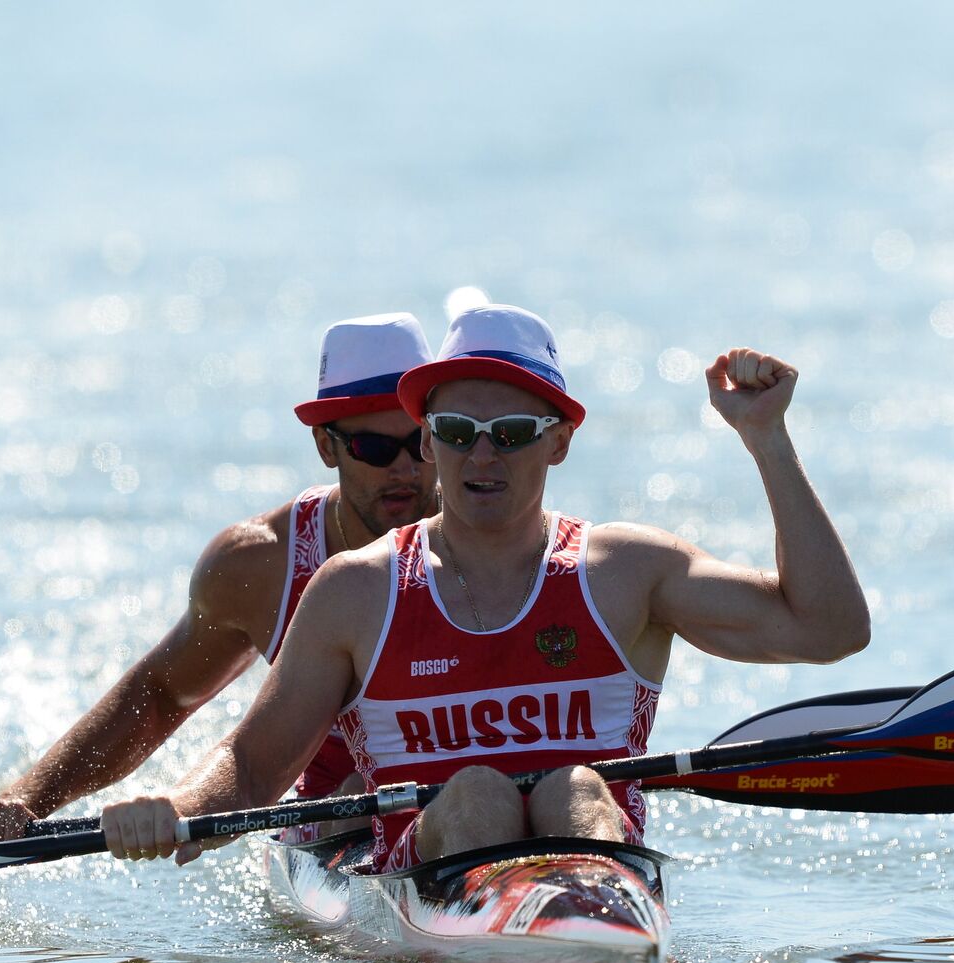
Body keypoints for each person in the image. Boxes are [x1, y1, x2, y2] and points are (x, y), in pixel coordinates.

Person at [100, 303, 871, 868]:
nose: (482, 458)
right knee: (474, 794)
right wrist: (179, 807)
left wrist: (765, 439)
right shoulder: (355, 592)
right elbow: (256, 765)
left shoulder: (625, 572)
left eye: (510, 436)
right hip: (428, 868)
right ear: (430, 442)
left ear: (561, 441)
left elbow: (831, 629)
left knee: (576, 790)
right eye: (457, 434)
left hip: (591, 864)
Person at [0, 313, 441, 842]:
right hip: (339, 820)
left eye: (419, 442)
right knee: (353, 790)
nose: (404, 469)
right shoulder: (261, 564)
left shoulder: (502, 538)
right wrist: (26, 800)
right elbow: (162, 695)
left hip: (463, 808)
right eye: (374, 448)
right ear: (326, 447)